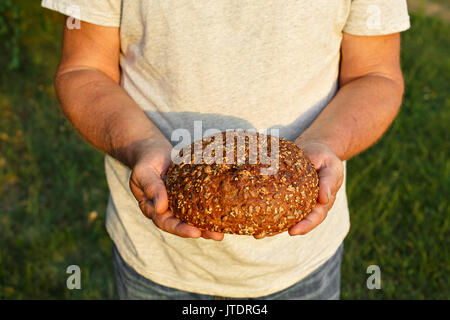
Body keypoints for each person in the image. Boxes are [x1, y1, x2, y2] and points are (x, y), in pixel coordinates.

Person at [42, 0, 410, 299]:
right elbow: (84, 68)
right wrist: (142, 147)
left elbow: (374, 74)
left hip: (300, 262)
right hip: (155, 259)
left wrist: (325, 145)